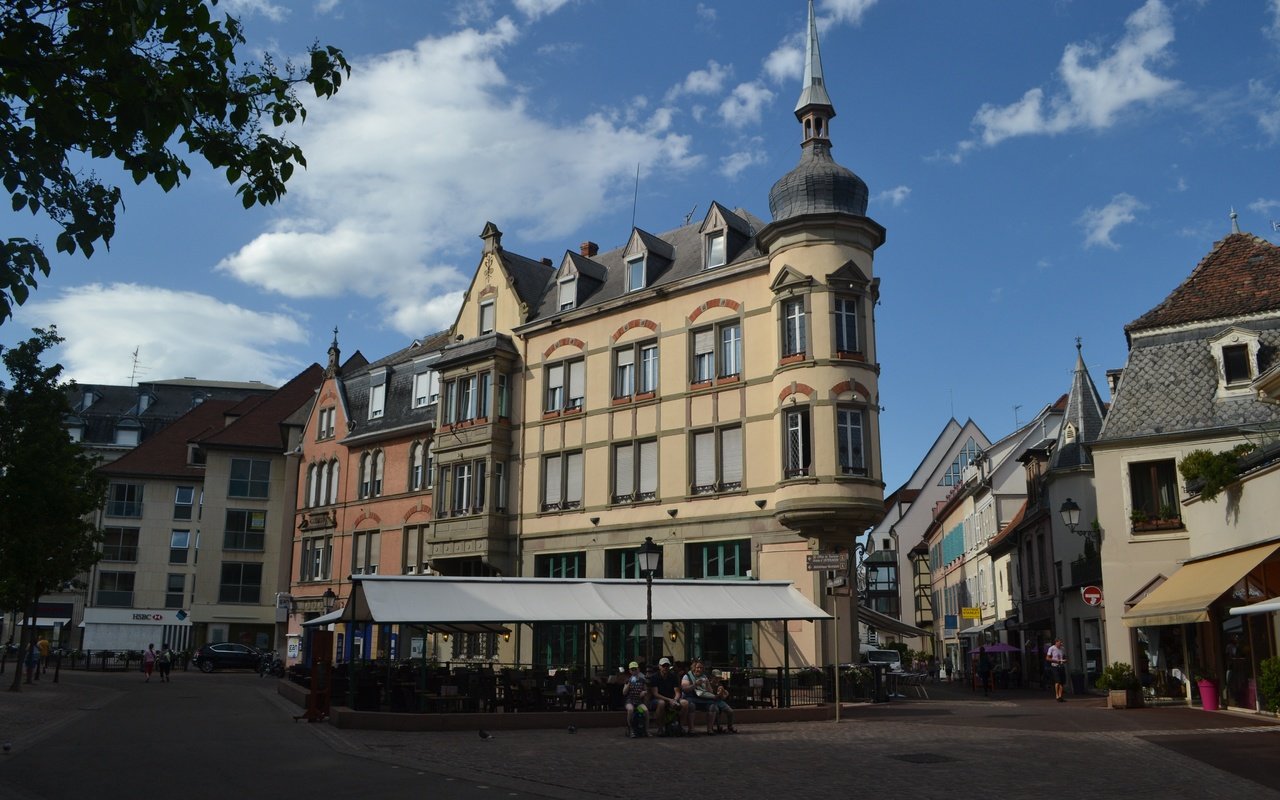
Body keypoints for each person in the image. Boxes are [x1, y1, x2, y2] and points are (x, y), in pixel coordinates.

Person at [649, 657, 689, 736]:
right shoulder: (654, 677)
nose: (665, 667)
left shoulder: (673, 676)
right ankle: (660, 728)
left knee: (685, 703)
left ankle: (680, 727)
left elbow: (677, 692)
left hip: (671, 699)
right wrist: (669, 700)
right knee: (661, 703)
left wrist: (674, 700)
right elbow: (655, 694)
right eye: (663, 666)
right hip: (658, 699)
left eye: (667, 666)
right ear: (659, 666)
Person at [682, 660, 718, 735]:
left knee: (712, 706)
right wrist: (695, 684)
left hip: (703, 698)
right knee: (691, 706)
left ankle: (710, 729)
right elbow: (685, 689)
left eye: (701, 668)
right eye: (698, 667)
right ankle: (691, 730)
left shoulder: (704, 677)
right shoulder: (687, 676)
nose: (699, 669)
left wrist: (707, 684)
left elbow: (710, 691)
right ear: (694, 668)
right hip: (690, 697)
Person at [621, 661, 648, 737]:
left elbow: (646, 690)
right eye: (632, 669)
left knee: (645, 711)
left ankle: (646, 730)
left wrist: (644, 692)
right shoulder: (628, 680)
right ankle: (631, 729)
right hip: (630, 701)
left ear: (638, 670)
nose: (634, 671)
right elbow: (624, 693)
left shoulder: (642, 680)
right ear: (630, 671)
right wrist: (629, 683)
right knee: (630, 710)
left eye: (635, 669)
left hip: (638, 701)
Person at [709, 669, 737, 733]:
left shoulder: (720, 684)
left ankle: (730, 727)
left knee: (730, 711)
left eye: (718, 678)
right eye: (716, 678)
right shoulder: (708, 684)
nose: (717, 679)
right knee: (716, 710)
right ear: (712, 677)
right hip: (711, 701)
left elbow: (725, 696)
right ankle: (718, 727)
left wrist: (722, 692)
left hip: (719, 701)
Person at [1046, 638, 1067, 702]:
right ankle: (1057, 695)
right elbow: (1047, 658)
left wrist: (1065, 660)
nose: (1061, 644)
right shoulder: (1052, 648)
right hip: (1054, 666)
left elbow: (1064, 657)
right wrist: (1056, 661)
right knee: (1057, 681)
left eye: (1061, 643)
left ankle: (1060, 696)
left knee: (1062, 682)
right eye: (1060, 642)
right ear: (1056, 642)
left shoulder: (1062, 649)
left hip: (1061, 666)